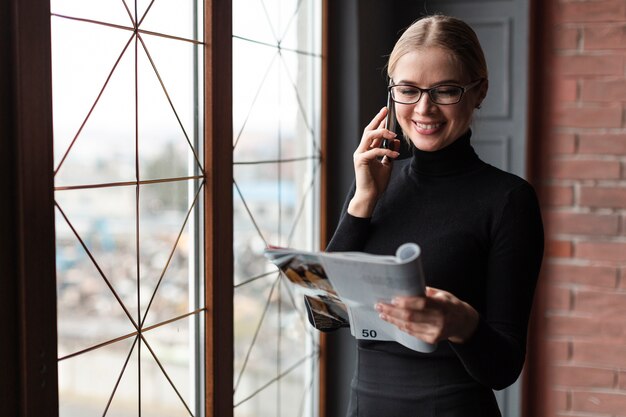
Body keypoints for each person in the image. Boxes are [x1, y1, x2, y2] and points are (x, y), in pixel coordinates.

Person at [326, 15, 544, 417]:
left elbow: (504, 368)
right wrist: (363, 201)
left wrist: (463, 325)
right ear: (392, 92)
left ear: (479, 92)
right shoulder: (372, 183)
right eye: (408, 90)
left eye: (445, 91)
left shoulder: (509, 200)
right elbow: (323, 315)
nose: (424, 109)